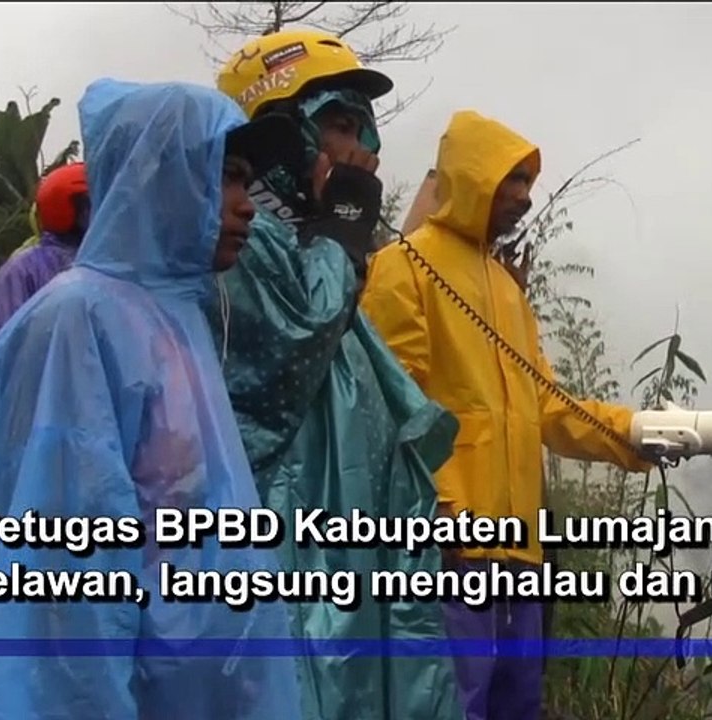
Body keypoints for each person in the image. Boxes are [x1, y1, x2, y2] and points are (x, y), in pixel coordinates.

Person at [0, 77, 306, 720]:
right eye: (225, 177)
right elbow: (63, 583)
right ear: (154, 177)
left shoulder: (176, 317)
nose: (247, 206)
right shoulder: (78, 320)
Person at [359, 109, 658, 720]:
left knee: (515, 705)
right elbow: (390, 403)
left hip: (519, 557)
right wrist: (438, 514)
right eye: (510, 181)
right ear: (470, 179)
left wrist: (634, 435)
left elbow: (548, 408)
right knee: (447, 705)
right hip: (450, 550)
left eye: (527, 184)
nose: (523, 199)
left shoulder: (507, 289)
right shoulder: (404, 267)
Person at [212, 30, 464, 720]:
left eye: (365, 130)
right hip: (296, 537)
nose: (363, 152)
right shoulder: (245, 240)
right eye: (340, 126)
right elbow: (294, 343)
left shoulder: (312, 238)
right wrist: (348, 216)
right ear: (283, 132)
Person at [0, 162, 90, 538]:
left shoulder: (95, 263)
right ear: (65, 207)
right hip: (27, 396)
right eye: (87, 206)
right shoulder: (26, 265)